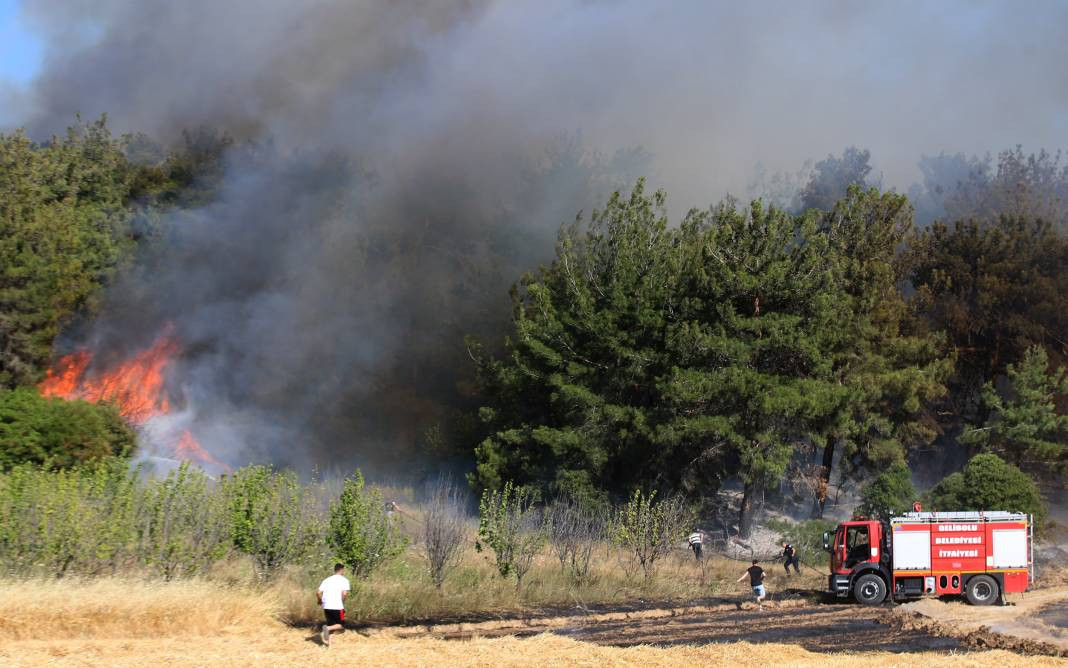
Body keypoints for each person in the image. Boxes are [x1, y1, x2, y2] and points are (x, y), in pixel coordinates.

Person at [317, 563, 350, 647]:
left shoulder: (327, 580)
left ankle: (329, 645)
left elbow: (318, 592)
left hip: (327, 606)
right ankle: (326, 629)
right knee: (341, 625)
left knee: (332, 625)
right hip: (338, 607)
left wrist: (320, 601)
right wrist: (342, 602)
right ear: (342, 570)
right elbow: (345, 594)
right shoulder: (344, 580)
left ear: (335, 569)